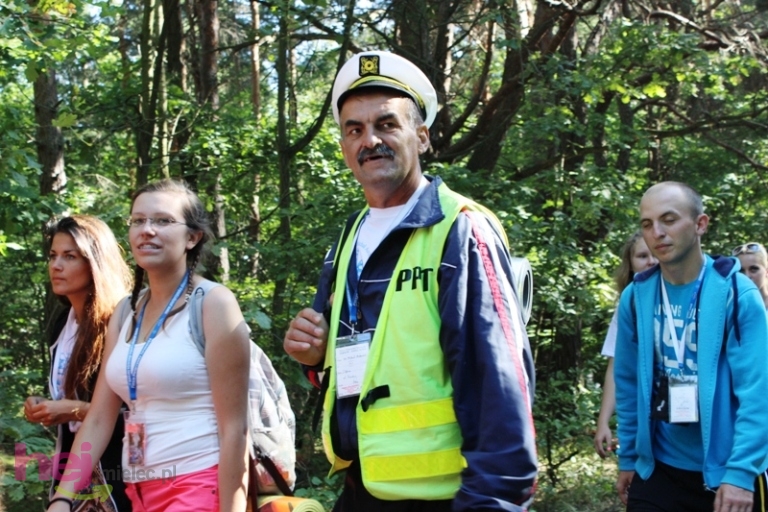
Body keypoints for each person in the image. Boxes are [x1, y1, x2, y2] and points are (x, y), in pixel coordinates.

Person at [283, 51, 537, 511]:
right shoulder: (349, 236)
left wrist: (494, 501)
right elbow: (367, 359)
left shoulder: (460, 231)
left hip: (448, 497)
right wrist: (314, 356)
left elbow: (497, 384)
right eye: (354, 129)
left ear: (421, 137)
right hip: (363, 488)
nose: (370, 140)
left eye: (386, 124)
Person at [47, 180, 250, 512]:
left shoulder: (213, 304)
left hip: (198, 483)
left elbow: (235, 429)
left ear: (192, 237)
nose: (147, 230)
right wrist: (63, 497)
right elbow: (99, 419)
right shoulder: (127, 312)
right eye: (138, 221)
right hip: (137, 490)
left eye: (162, 221)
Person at [614, 181, 768, 512]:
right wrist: (629, 456)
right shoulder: (636, 297)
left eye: (669, 220)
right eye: (647, 224)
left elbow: (758, 392)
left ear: (700, 224)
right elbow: (627, 384)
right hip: (659, 471)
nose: (657, 233)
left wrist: (741, 473)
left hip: (727, 473)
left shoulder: (737, 295)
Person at [24, 215, 133, 511]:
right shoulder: (62, 323)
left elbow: (144, 414)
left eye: (69, 257)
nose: (55, 266)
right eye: (53, 256)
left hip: (124, 476)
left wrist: (74, 410)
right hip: (76, 479)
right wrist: (46, 405)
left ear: (95, 263)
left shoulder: (124, 323)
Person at [594, 232, 657, 458]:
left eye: (655, 254)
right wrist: (603, 422)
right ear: (630, 266)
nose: (651, 260)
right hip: (641, 415)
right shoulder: (627, 306)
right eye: (642, 256)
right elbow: (616, 366)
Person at [732, 242, 768, 309]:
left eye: (753, 269)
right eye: (741, 271)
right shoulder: (731, 307)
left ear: (766, 271)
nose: (747, 276)